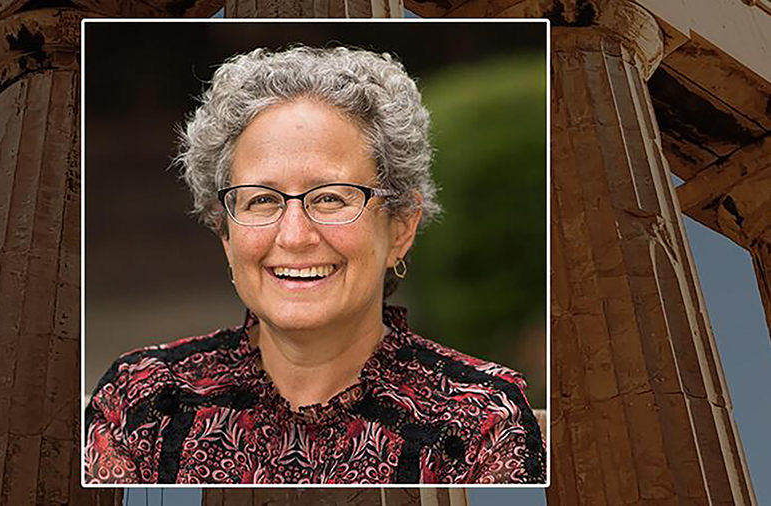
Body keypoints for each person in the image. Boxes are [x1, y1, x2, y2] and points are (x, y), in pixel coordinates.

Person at [84, 46, 545, 484]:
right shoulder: (143, 401)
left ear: (401, 228)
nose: (294, 236)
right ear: (225, 234)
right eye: (262, 200)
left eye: (329, 198)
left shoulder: (481, 419)